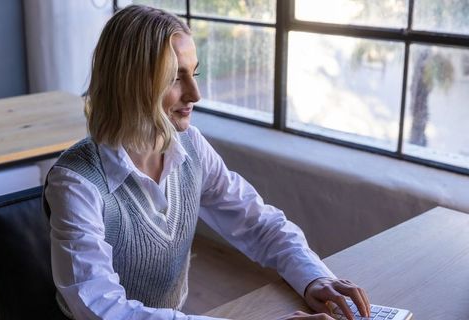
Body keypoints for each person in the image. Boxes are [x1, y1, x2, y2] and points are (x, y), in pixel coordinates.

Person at [43, 5, 371, 320]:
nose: (195, 94)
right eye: (175, 78)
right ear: (130, 83)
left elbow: (259, 223)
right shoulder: (75, 183)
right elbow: (100, 309)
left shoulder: (191, 147)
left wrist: (314, 277)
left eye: (195, 73)